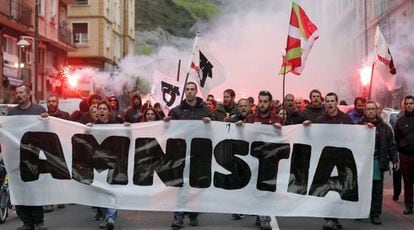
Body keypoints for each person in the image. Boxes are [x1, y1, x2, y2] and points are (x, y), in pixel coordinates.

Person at [164, 82, 212, 229]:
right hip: (182, 154)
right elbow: (170, 133)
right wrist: (167, 123)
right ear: (184, 92)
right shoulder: (176, 111)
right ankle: (178, 216)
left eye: (192, 90)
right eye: (187, 89)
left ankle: (193, 214)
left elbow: (214, 131)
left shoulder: (205, 111)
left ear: (196, 92)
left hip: (199, 154)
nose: (190, 92)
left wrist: (210, 123)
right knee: (181, 185)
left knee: (196, 185)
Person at [305, 92, 351, 230]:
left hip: (342, 158)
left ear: (336, 102)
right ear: (325, 103)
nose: (330, 103)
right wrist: (308, 127)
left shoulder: (345, 118)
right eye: (328, 101)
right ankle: (330, 218)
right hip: (326, 158)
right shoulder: (321, 119)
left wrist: (367, 129)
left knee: (341, 187)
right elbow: (315, 137)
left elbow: (356, 133)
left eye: (332, 101)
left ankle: (334, 217)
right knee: (326, 186)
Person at [7, 84, 47, 230]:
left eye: (22, 92)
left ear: (29, 94)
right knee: (20, 189)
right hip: (16, 157)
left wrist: (46, 120)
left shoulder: (39, 111)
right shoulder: (11, 114)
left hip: (34, 157)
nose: (19, 95)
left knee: (35, 189)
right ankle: (26, 222)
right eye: (17, 93)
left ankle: (39, 221)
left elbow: (46, 131)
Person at [243, 90, 283, 230]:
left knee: (266, 187)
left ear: (270, 103)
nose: (263, 104)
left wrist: (280, 129)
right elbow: (243, 136)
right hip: (253, 158)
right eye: (261, 101)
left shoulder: (277, 119)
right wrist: (240, 127)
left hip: (270, 159)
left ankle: (264, 216)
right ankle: (259, 213)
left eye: (265, 101)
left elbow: (285, 137)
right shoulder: (250, 118)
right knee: (254, 187)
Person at [89, 100, 130, 230]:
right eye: (99, 108)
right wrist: (87, 129)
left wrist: (127, 128)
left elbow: (126, 137)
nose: (101, 110)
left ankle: (111, 217)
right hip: (99, 164)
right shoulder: (94, 125)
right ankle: (107, 217)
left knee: (111, 191)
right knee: (101, 191)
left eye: (104, 109)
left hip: (113, 163)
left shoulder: (116, 125)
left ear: (109, 111)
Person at [362, 101, 399, 224]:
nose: (371, 111)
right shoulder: (358, 126)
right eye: (369, 109)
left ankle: (375, 213)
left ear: (377, 110)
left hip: (377, 161)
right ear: (365, 111)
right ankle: (360, 210)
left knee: (376, 189)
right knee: (362, 188)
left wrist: (395, 159)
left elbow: (391, 145)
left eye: (373, 109)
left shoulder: (384, 127)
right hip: (362, 163)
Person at [394, 95, 414, 215]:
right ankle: (409, 206)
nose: (409, 105)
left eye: (411, 103)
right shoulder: (400, 121)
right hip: (405, 156)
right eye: (407, 104)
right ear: (404, 105)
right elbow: (397, 137)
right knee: (408, 182)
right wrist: (401, 147)